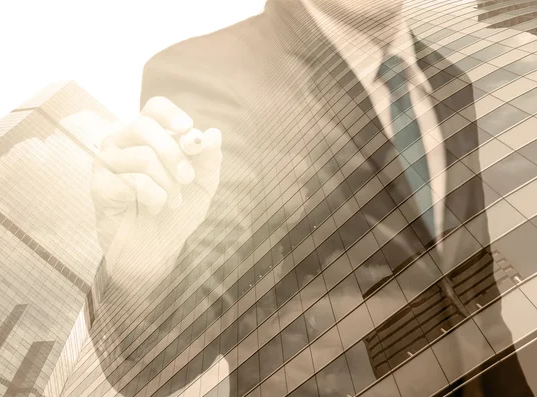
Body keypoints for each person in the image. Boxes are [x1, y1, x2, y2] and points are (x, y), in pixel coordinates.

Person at [89, 0, 535, 396]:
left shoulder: (449, 80)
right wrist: (144, 270)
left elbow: (475, 293)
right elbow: (167, 356)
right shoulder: (213, 76)